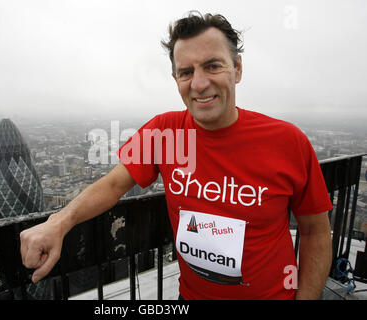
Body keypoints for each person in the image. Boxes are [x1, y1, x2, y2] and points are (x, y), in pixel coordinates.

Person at [20, 12, 333, 300]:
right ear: (176, 80)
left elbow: (315, 231)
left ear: (237, 69)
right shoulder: (166, 132)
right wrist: (58, 223)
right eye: (186, 72)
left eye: (213, 65)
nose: (199, 83)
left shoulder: (287, 142)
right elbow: (113, 184)